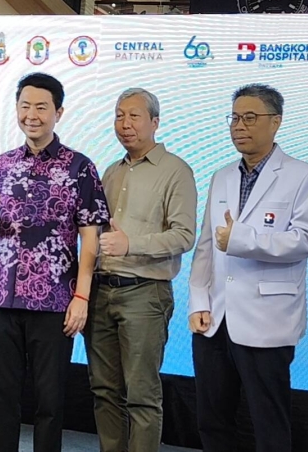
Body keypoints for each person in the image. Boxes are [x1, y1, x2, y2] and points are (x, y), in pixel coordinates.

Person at [0, 72, 110, 452]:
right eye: (25, 106)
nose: (32, 115)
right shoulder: (0, 165)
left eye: (41, 107)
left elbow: (91, 237)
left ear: (58, 113)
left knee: (49, 400)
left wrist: (81, 297)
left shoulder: (79, 167)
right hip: (3, 298)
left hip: (54, 302)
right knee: (2, 395)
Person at [189, 84, 308, 452]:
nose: (239, 126)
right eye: (234, 118)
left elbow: (305, 240)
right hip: (215, 320)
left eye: (250, 118)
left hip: (267, 319)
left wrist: (241, 239)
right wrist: (198, 300)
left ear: (276, 122)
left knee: (268, 424)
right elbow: (206, 245)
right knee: (212, 421)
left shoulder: (304, 175)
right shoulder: (222, 176)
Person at [85, 88, 197, 452]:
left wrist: (131, 243)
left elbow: (184, 235)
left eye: (134, 116)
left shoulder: (176, 171)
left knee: (141, 396)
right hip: (101, 289)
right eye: (119, 116)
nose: (125, 124)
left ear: (155, 122)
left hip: (145, 293)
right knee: (104, 391)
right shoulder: (110, 172)